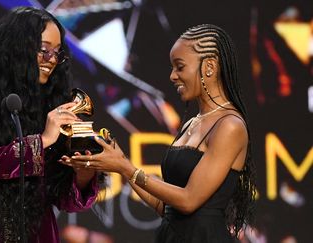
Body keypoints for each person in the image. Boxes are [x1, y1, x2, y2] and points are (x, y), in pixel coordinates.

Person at [63, 24, 256, 242]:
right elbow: (167, 209)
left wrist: (127, 167)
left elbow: (188, 200)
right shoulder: (191, 123)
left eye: (180, 67)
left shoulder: (230, 126)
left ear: (209, 67)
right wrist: (121, 165)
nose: (173, 76)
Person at [0, 7, 100, 243]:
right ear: (16, 49)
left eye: (57, 53)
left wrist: (84, 173)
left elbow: (66, 200)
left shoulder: (53, 109)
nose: (52, 60)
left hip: (37, 230)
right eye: (43, 50)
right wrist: (43, 140)